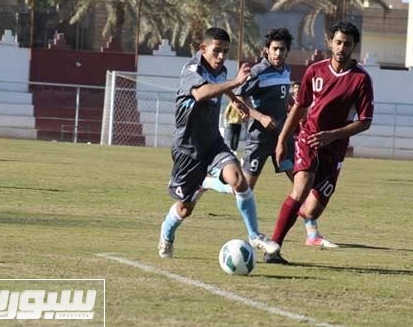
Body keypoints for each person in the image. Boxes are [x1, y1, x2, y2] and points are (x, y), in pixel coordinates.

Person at [202, 28, 337, 248]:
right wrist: (259, 116)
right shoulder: (257, 72)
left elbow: (282, 100)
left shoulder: (285, 71)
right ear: (267, 50)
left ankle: (312, 234)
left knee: (302, 183)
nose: (278, 53)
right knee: (242, 188)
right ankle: (208, 182)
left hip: (281, 139)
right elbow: (237, 99)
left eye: (282, 49)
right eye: (274, 49)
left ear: (287, 51)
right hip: (259, 140)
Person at [158, 27, 279, 259]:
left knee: (238, 179)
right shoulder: (191, 69)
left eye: (226, 51)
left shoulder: (220, 70)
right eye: (217, 51)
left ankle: (255, 236)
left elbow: (221, 85)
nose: (222, 56)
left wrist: (235, 101)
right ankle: (166, 234)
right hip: (188, 150)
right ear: (203, 49)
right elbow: (202, 93)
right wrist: (237, 82)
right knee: (185, 208)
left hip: (213, 142)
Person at [265, 21, 374, 264]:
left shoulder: (361, 80)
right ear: (329, 43)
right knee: (301, 185)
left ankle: (302, 220)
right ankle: (273, 249)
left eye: (347, 43)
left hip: (334, 149)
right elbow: (299, 107)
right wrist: (283, 139)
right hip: (309, 138)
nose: (341, 48)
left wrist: (333, 135)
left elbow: (365, 121)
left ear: (354, 46)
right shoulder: (315, 71)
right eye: (338, 42)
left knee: (312, 210)